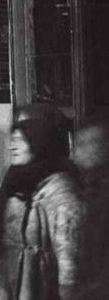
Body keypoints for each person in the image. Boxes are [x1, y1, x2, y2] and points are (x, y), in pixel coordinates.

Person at [0, 118, 85, 300]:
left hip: (38, 284)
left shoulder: (61, 189)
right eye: (12, 140)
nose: (12, 146)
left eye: (20, 140)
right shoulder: (17, 181)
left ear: (40, 143)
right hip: (5, 280)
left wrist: (69, 292)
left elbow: (69, 250)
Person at [71, 113, 109, 299]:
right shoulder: (86, 188)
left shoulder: (102, 194)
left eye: (85, 144)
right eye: (78, 144)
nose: (75, 153)